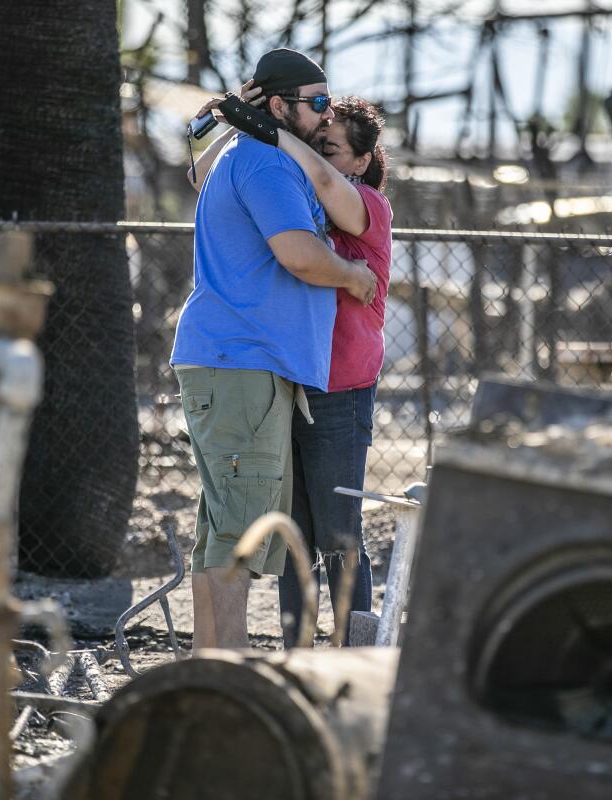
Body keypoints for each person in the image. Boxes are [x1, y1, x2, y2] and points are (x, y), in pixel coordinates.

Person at [171, 48, 377, 651]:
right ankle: (227, 677)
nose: (325, 115)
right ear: (280, 106)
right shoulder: (266, 165)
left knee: (222, 536)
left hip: (233, 365)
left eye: (329, 104)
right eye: (316, 104)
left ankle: (212, 669)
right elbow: (298, 254)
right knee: (240, 539)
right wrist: (351, 276)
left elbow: (201, 175)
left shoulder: (251, 154)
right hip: (243, 368)